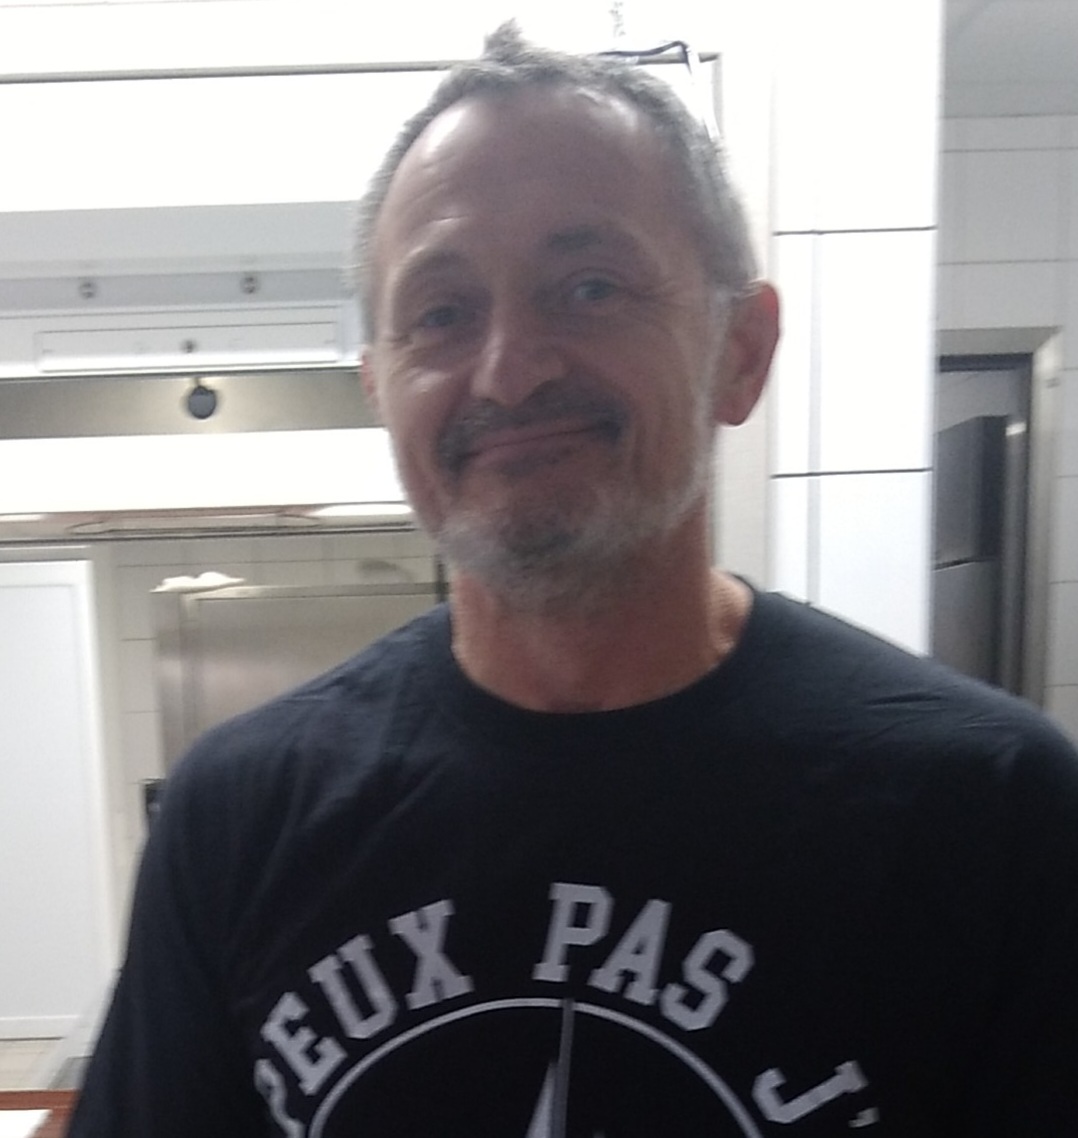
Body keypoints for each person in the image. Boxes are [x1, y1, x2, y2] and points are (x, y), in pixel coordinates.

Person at [69, 25, 1078, 1138]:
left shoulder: (988, 810)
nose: (510, 369)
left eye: (589, 287)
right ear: (380, 386)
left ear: (740, 350)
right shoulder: (238, 815)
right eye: (441, 313)